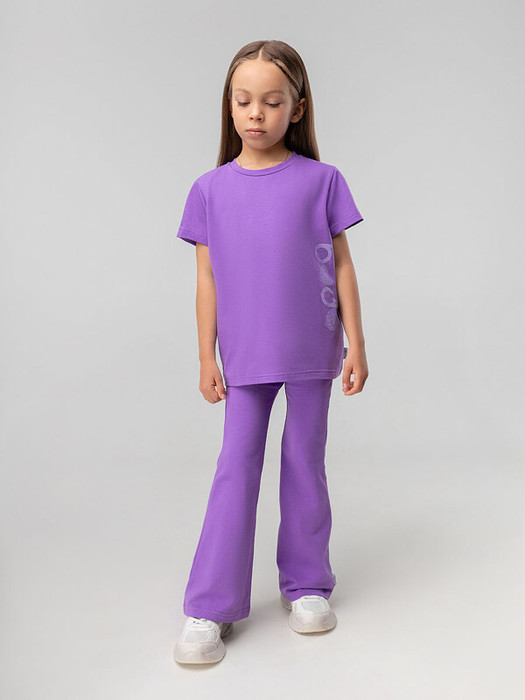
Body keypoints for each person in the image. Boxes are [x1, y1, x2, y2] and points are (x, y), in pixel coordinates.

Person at [173, 39, 369, 665]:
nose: (256, 113)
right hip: (245, 352)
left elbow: (342, 265)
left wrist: (357, 342)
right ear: (229, 107)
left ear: (297, 108)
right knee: (236, 466)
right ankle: (211, 604)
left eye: (272, 101)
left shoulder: (322, 181)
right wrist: (206, 356)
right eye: (243, 101)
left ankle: (307, 585)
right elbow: (206, 280)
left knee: (305, 461)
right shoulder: (209, 190)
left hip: (313, 345)